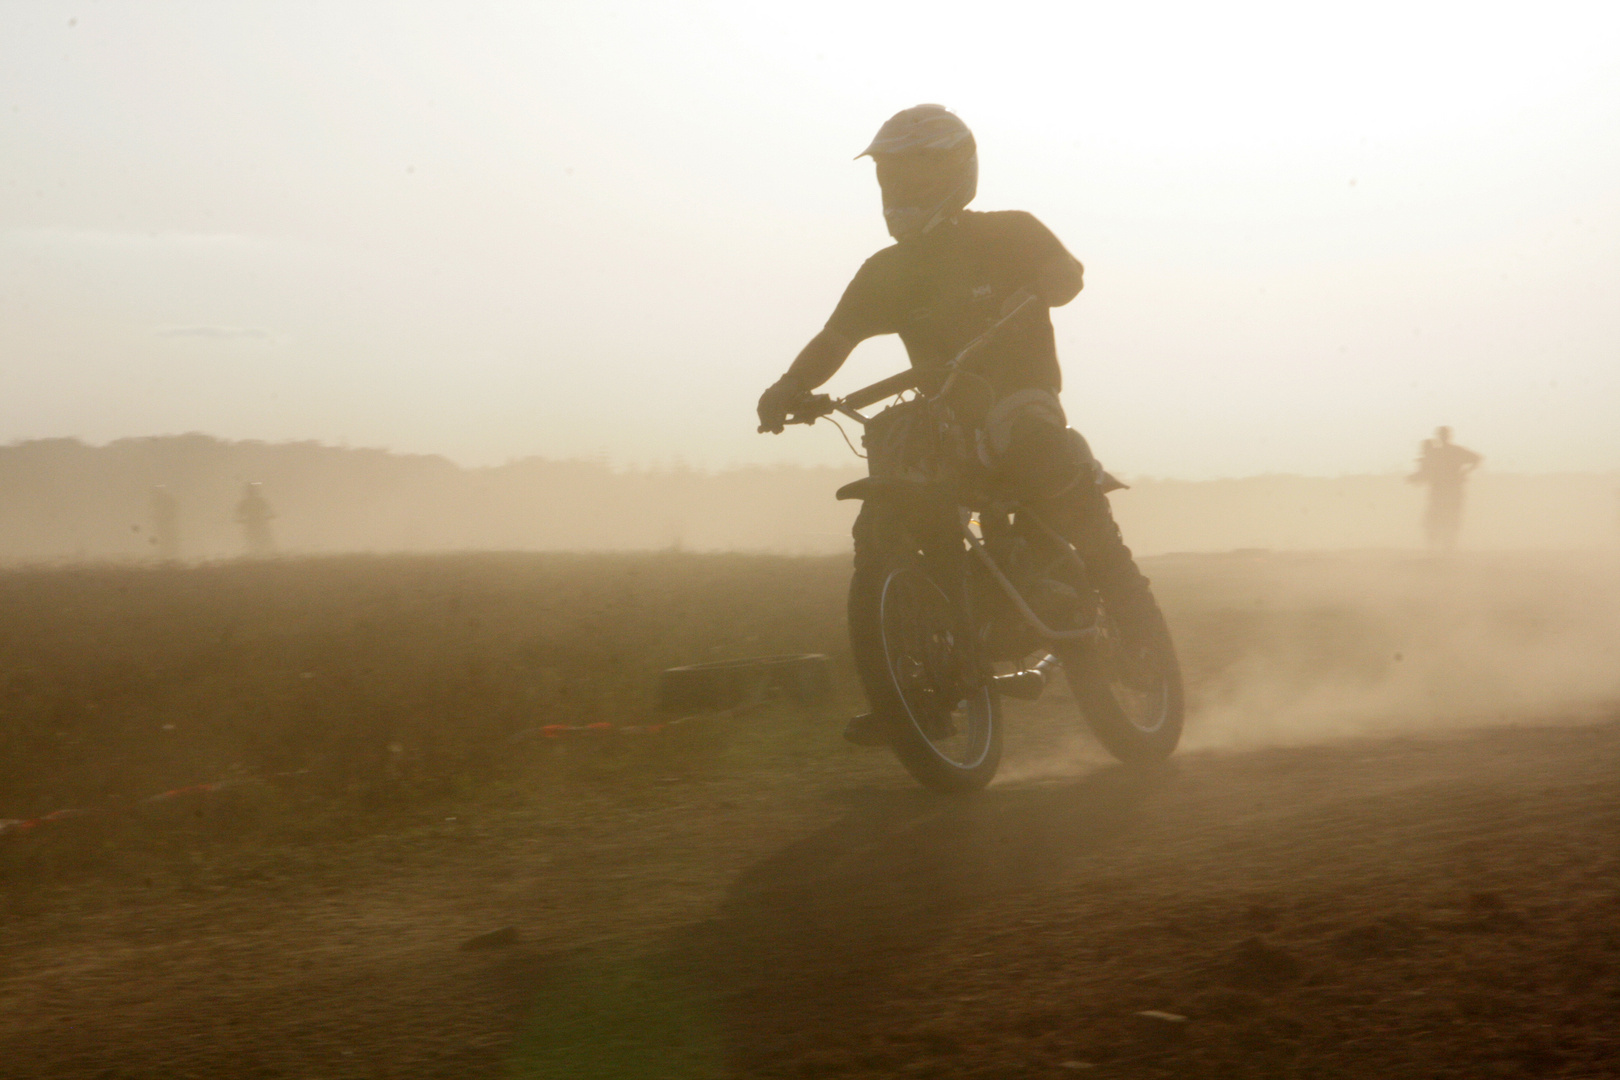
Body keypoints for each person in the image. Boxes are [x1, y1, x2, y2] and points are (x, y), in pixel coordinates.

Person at [757, 105, 1161, 745]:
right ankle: (917, 685)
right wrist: (789, 387)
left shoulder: (1010, 232)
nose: (897, 191)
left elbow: (1068, 276)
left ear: (954, 170)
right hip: (946, 410)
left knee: (1034, 446)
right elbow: (835, 339)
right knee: (892, 485)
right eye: (889, 178)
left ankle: (1135, 625)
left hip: (1018, 395)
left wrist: (1047, 282)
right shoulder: (885, 271)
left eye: (912, 175)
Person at [1407, 426, 1481, 553]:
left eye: (1442, 435)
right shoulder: (1447, 452)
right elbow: (1426, 472)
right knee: (1440, 518)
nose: (1442, 437)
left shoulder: (1445, 452)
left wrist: (1464, 472)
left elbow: (1476, 459)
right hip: (1444, 491)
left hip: (1447, 492)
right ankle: (1440, 547)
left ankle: (1443, 547)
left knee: (1445, 518)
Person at [234, 481, 276, 557]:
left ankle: (261, 553)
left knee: (255, 538)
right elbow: (239, 514)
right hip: (256, 524)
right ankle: (261, 553)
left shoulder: (247, 502)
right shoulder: (258, 501)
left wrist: (240, 520)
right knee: (256, 538)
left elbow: (239, 515)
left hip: (254, 524)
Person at [148, 484, 180, 561]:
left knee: (167, 538)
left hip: (166, 522)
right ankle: (165, 555)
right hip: (163, 523)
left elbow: (171, 510)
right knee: (164, 538)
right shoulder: (158, 500)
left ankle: (169, 555)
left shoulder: (166, 499)